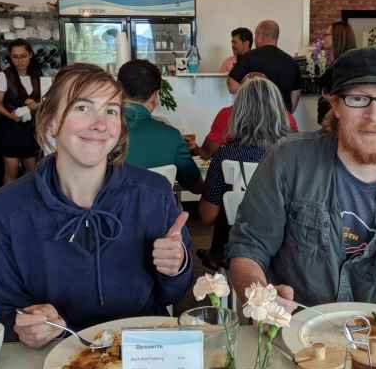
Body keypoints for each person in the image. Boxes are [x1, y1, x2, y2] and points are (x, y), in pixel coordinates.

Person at [227, 47, 376, 313]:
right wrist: (262, 299)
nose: (373, 115)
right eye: (357, 99)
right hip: (290, 327)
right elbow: (249, 247)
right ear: (335, 104)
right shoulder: (287, 160)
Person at [0, 63, 193, 347]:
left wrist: (175, 268)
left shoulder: (153, 193)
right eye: (82, 108)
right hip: (53, 354)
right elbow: (5, 312)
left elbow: (171, 294)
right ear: (52, 121)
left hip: (141, 353)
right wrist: (27, 325)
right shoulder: (8, 208)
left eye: (111, 111)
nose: (100, 124)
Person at [196, 77, 292, 270]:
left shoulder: (226, 154)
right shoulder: (294, 153)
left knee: (229, 205)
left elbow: (207, 216)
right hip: (286, 250)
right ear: (279, 110)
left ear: (238, 112)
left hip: (233, 251)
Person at [118, 59, 203, 194]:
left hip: (106, 213)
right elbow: (195, 185)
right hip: (159, 213)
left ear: (119, 92)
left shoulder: (100, 130)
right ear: (154, 96)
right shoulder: (171, 136)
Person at [197, 74, 299, 160]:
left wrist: (194, 149)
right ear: (273, 96)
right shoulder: (286, 117)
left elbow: (207, 153)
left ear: (240, 97)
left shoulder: (225, 155)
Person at [0, 40, 47, 184]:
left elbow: (45, 101)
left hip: (31, 129)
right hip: (11, 129)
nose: (19, 60)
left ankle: (31, 203)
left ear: (30, 55)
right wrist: (10, 115)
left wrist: (36, 105)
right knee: (12, 170)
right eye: (15, 57)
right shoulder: (3, 76)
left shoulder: (38, 76)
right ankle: (6, 204)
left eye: (23, 56)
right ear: (10, 57)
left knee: (32, 170)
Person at [228, 20, 303, 113]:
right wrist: (287, 114)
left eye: (255, 36)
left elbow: (232, 85)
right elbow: (295, 94)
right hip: (282, 118)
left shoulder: (248, 57)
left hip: (255, 116)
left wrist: (250, 94)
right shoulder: (292, 62)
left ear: (260, 37)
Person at [317, 21, 357, 125]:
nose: (323, 38)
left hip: (335, 122)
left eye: (327, 35)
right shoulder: (338, 63)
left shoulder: (345, 66)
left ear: (337, 37)